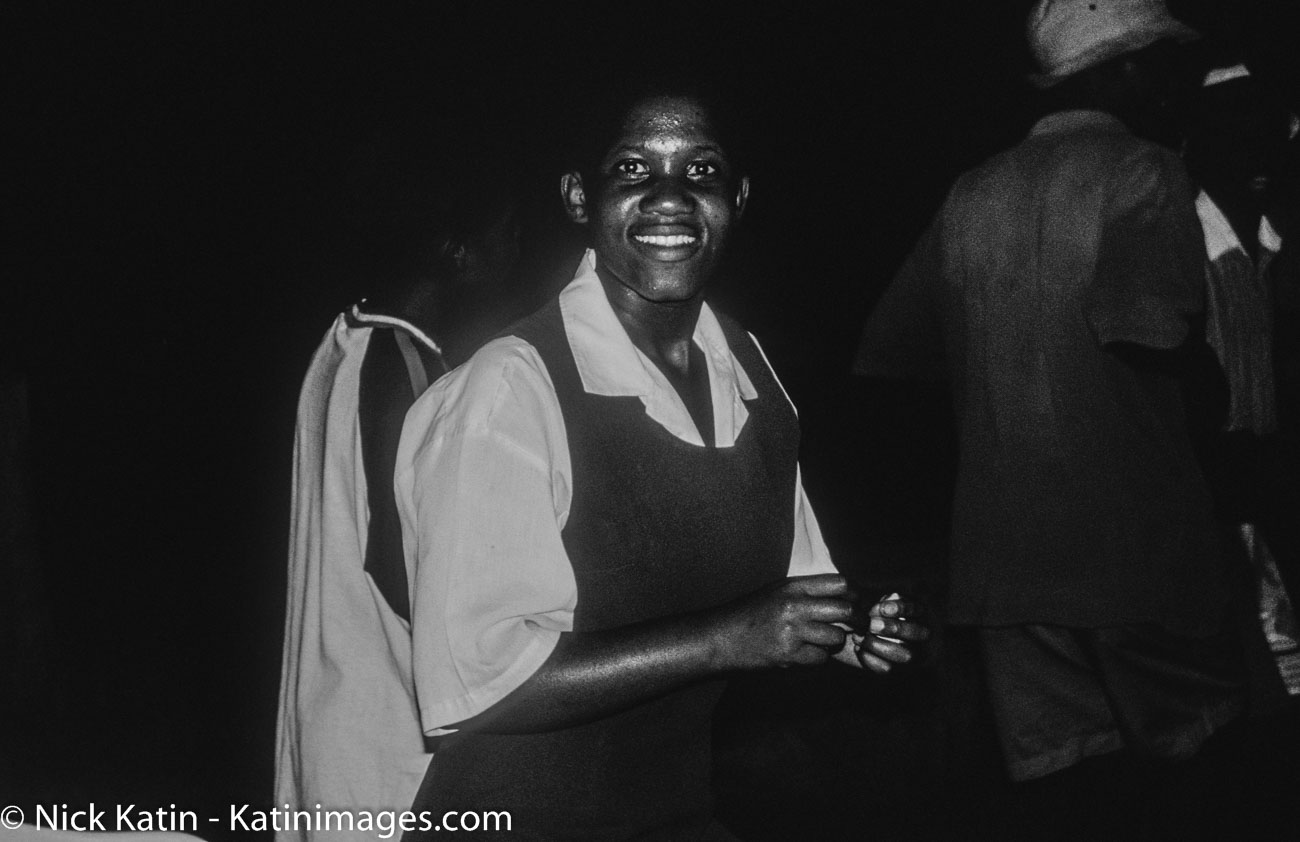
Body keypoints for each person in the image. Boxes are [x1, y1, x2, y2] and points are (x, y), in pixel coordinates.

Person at [394, 85, 928, 840]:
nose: (669, 198)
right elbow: (479, 684)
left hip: (670, 811)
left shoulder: (744, 366)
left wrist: (855, 627)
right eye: (634, 169)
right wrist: (725, 638)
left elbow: (791, 586)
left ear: (738, 198)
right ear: (581, 196)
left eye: (701, 172)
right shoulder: (510, 386)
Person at [855, 1, 1246, 837]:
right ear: (1125, 69)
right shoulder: (1144, 170)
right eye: (1165, 65)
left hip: (1003, 574)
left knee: (1073, 800)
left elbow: (892, 353)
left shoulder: (970, 192)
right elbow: (1151, 335)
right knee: (1196, 779)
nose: (1177, 86)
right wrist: (1218, 398)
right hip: (1135, 556)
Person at [274, 140, 522, 842]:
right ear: (457, 253)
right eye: (507, 235)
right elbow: (398, 563)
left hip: (336, 700)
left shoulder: (349, 337)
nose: (516, 252)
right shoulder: (408, 368)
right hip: (386, 723)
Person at [1183, 62, 1300, 666]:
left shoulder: (1268, 242)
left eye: (1269, 131)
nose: (1259, 150)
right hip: (1209, 500)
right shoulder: (1176, 241)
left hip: (1253, 489)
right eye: (1236, 132)